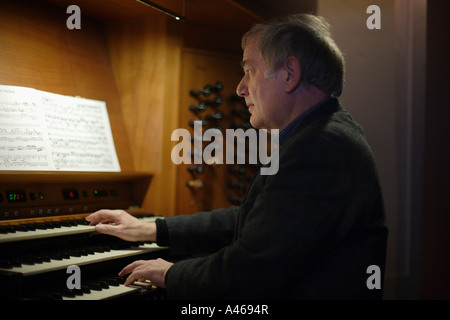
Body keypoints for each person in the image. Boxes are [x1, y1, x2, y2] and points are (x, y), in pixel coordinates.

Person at [86, 13, 388, 299]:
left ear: (290, 74)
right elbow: (258, 220)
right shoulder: (322, 133)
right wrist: (152, 228)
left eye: (249, 70)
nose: (240, 88)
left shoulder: (318, 147)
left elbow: (252, 272)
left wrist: (173, 274)